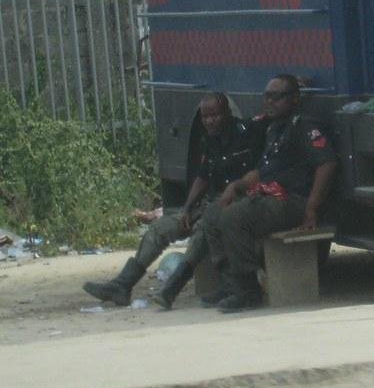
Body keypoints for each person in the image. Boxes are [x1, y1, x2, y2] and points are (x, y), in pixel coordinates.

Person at [82, 93, 264, 309]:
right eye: (205, 117)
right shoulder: (210, 140)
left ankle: (172, 288)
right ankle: (122, 285)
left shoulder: (245, 133)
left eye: (215, 115)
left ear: (226, 112)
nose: (209, 121)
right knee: (160, 229)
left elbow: (258, 173)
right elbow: (202, 177)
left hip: (234, 204)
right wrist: (187, 208)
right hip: (209, 203)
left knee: (202, 230)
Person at [205, 74, 338, 313]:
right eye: (266, 97)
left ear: (295, 99)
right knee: (214, 213)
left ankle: (248, 290)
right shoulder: (274, 129)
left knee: (234, 217)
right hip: (268, 194)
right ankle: (230, 283)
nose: (269, 102)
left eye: (276, 97)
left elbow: (326, 164)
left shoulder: (304, 126)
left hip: (292, 200)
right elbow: (263, 171)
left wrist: (311, 207)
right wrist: (235, 186)